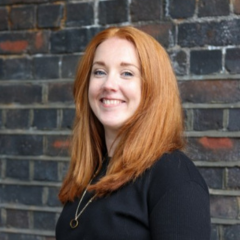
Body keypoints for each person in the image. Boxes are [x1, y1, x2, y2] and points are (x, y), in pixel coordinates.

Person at [55, 26, 211, 240]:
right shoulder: (92, 171)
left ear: (152, 89)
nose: (109, 84)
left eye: (127, 73)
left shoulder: (173, 176)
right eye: (99, 71)